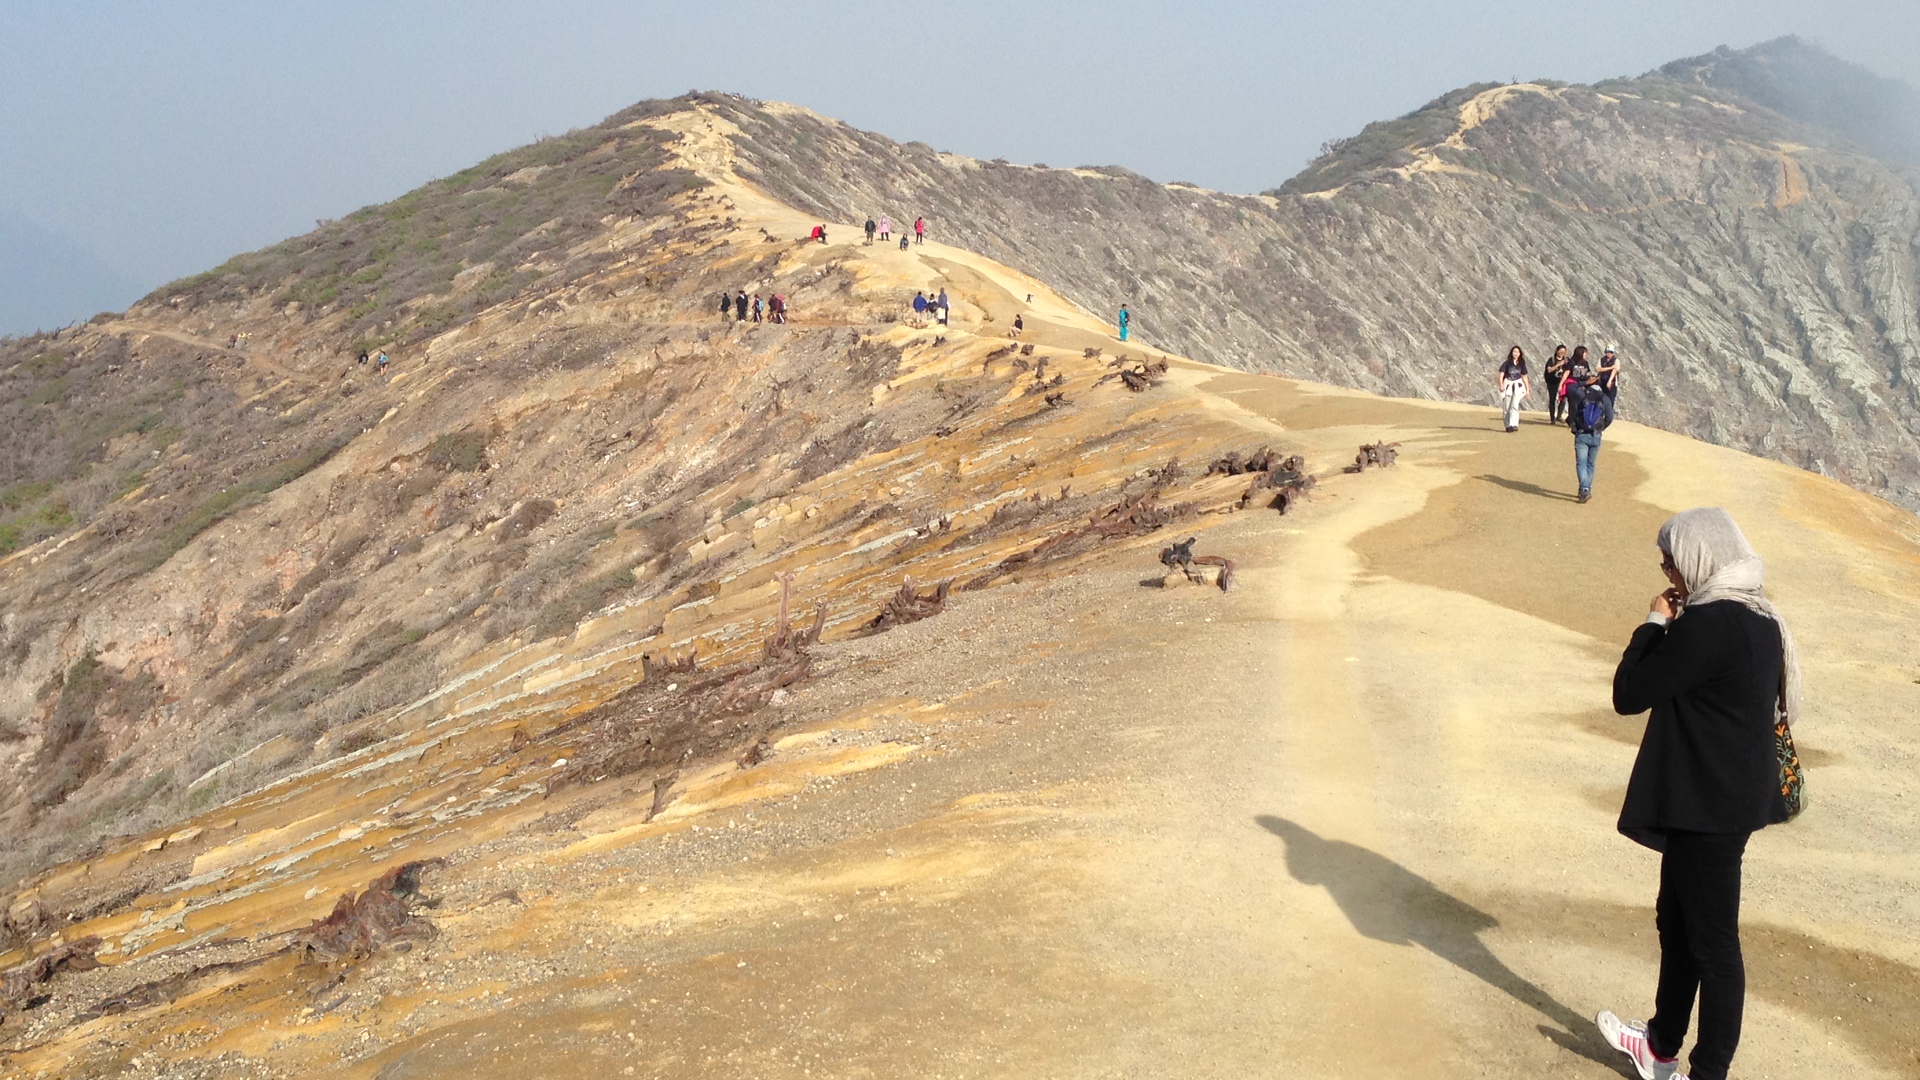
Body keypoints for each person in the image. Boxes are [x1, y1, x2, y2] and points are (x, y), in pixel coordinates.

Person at [1596, 507, 1798, 1080]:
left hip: (1707, 806)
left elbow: (1630, 692)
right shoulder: (1761, 618)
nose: (1666, 568)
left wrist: (1654, 622)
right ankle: (1660, 1047)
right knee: (1679, 923)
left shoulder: (1708, 625)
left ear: (1702, 558)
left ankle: (1705, 1072)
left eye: (1672, 558)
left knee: (1712, 944)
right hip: (1721, 799)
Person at [1565, 370, 1613, 502]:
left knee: (1581, 463)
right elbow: (1610, 417)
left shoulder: (1581, 394)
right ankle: (1587, 489)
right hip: (1596, 434)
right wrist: (1601, 428)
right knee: (1591, 464)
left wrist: (1583, 382)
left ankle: (1584, 489)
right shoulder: (1605, 398)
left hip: (1581, 433)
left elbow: (1569, 387)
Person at [1496, 345, 1529, 432]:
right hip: (1508, 385)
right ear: (1511, 353)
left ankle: (1514, 424)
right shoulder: (1507, 363)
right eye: (1514, 352)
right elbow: (1501, 374)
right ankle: (1507, 425)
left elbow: (1524, 376)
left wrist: (1527, 389)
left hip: (1517, 386)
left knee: (1515, 405)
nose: (1516, 354)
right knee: (1506, 407)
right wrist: (1501, 385)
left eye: (1518, 352)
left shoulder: (1521, 364)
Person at [1544, 345, 1570, 424]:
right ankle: (1552, 418)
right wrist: (1558, 365)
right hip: (1552, 382)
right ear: (1556, 351)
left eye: (1564, 352)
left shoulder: (1567, 360)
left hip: (1562, 382)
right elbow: (1549, 370)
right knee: (1552, 399)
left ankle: (1559, 415)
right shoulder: (1551, 360)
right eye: (1560, 351)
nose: (1562, 353)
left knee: (1563, 399)